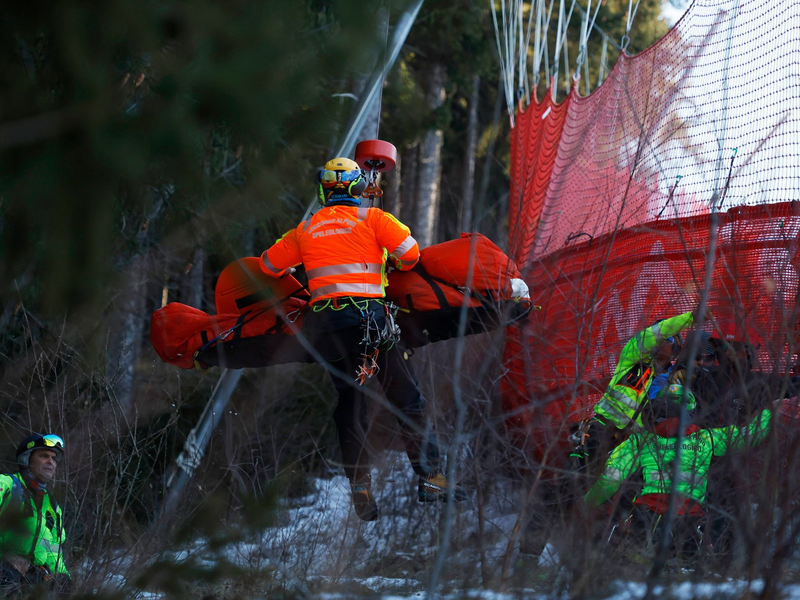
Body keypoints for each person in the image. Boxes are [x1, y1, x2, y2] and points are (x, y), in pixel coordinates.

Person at [260, 156, 461, 521]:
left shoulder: (305, 230)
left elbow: (268, 265)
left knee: (351, 406)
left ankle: (359, 486)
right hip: (371, 324)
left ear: (324, 189)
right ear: (355, 188)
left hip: (327, 332)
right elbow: (411, 255)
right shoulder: (373, 219)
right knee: (407, 399)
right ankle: (431, 478)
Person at [583, 386, 775, 563]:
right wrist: (770, 411)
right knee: (685, 574)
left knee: (638, 570)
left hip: (647, 517)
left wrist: (585, 505)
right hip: (689, 521)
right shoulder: (706, 438)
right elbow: (750, 436)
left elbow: (610, 480)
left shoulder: (639, 441)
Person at [571, 309, 700, 473]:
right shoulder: (632, 357)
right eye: (660, 338)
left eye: (668, 341)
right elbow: (656, 333)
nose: (660, 343)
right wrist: (690, 318)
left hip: (626, 442)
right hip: (602, 429)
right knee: (578, 475)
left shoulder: (662, 379)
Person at [0, 433, 71, 598]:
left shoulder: (52, 507)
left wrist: (63, 576)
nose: (51, 462)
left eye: (54, 458)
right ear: (26, 459)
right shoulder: (7, 486)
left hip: (29, 578)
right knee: (7, 578)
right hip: (5, 574)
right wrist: (6, 554)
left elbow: (53, 549)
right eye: (44, 456)